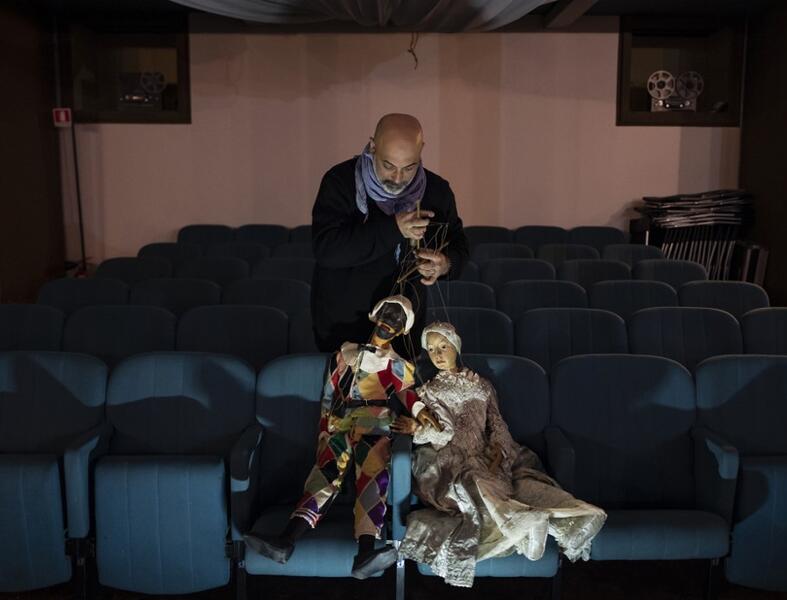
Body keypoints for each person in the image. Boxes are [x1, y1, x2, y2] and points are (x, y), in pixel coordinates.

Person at [392, 322, 607, 588]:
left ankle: (538, 515)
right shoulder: (428, 392)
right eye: (432, 349)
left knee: (517, 484)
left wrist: (500, 451)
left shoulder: (481, 385)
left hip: (484, 453)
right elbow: (441, 434)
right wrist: (417, 428)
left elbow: (497, 423)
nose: (437, 354)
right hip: (450, 458)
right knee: (472, 485)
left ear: (456, 347)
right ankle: (521, 521)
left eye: (443, 346)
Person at [244, 296, 442, 579]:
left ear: (403, 330)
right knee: (323, 476)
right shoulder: (346, 352)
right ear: (376, 314)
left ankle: (365, 552)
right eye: (387, 313)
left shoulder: (397, 364)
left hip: (375, 423)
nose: (390, 321)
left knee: (373, 480)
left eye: (398, 320)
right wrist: (324, 428)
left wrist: (420, 411)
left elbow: (407, 393)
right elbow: (329, 392)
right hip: (340, 422)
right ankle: (285, 540)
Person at [311, 113, 468, 357]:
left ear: (421, 151)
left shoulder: (437, 191)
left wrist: (445, 264)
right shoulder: (340, 181)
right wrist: (394, 228)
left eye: (409, 167)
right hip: (343, 329)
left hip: (405, 334)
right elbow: (327, 250)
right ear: (373, 146)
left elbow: (460, 247)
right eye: (388, 165)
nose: (398, 178)